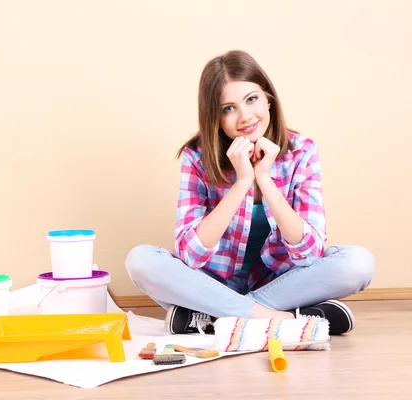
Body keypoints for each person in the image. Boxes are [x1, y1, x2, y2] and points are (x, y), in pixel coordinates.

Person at [125, 50, 375, 336]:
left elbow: (308, 252)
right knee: (141, 261)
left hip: (280, 285)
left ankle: (214, 318)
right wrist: (242, 180)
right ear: (215, 118)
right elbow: (191, 255)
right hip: (213, 283)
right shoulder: (197, 157)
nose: (245, 116)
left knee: (358, 263)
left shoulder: (302, 151)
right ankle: (281, 321)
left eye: (251, 99)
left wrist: (264, 178)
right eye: (227, 108)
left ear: (268, 98)